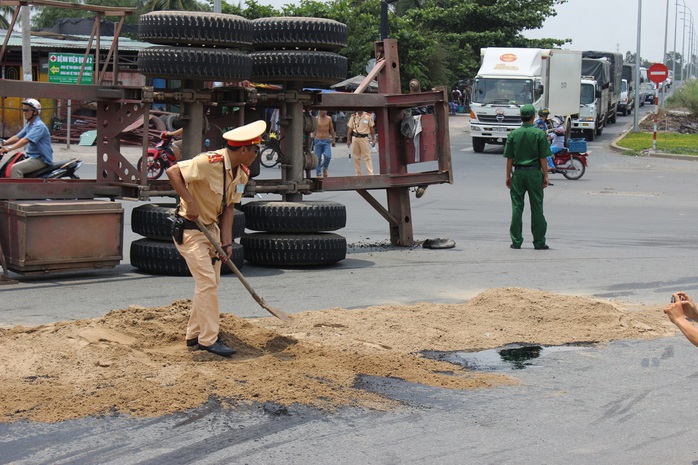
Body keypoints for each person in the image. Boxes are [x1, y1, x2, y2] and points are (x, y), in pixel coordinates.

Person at [166, 119, 266, 357]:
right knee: (207, 283)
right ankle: (208, 340)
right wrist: (189, 201)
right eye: (255, 150)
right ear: (243, 149)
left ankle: (194, 334)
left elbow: (229, 208)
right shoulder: (208, 162)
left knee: (210, 285)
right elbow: (173, 172)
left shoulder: (242, 174)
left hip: (212, 231)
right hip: (191, 230)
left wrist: (227, 242)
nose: (256, 154)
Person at [503, 104, 551, 250]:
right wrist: (546, 176)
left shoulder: (513, 134)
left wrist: (507, 176)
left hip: (518, 173)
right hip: (534, 173)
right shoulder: (539, 134)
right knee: (537, 207)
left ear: (521, 117)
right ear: (533, 117)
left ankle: (516, 241)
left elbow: (509, 158)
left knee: (517, 207)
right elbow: (543, 158)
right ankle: (539, 242)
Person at [0, 99, 53, 178]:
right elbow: (17, 137)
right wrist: (3, 143)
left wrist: (9, 148)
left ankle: (18, 190)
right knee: (11, 163)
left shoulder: (39, 126)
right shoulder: (29, 124)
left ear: (35, 112)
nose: (24, 112)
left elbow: (25, 140)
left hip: (41, 159)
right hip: (31, 157)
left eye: (26, 110)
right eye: (23, 110)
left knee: (15, 169)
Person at [347, 111, 376, 176]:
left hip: (364, 138)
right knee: (356, 157)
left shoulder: (367, 116)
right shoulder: (353, 116)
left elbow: (371, 128)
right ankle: (358, 174)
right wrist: (348, 139)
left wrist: (373, 139)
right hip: (355, 138)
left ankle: (370, 173)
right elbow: (350, 129)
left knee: (367, 156)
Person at [313, 110, 335, 177]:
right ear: (320, 111)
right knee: (318, 158)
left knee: (328, 156)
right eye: (323, 110)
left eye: (325, 110)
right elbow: (313, 128)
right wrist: (312, 135)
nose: (324, 112)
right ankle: (318, 173)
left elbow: (331, 129)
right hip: (318, 140)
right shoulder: (316, 119)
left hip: (326, 140)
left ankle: (325, 168)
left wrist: (334, 140)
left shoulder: (329, 118)